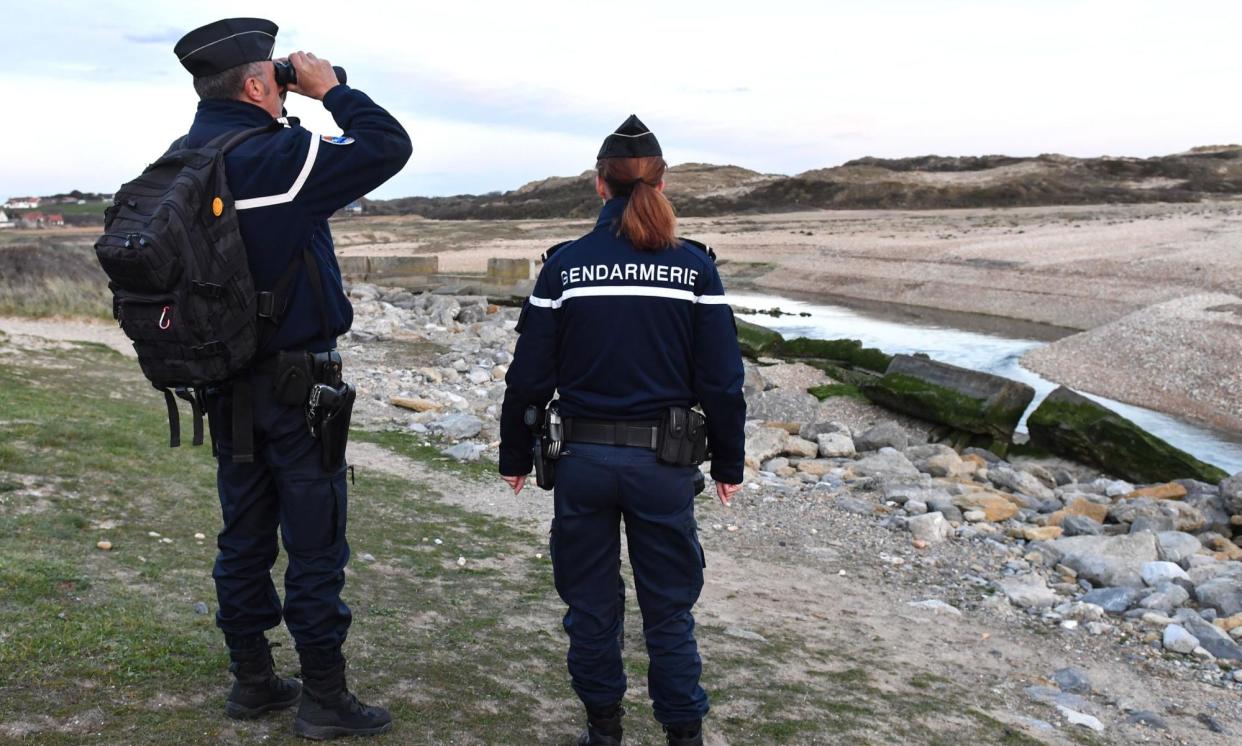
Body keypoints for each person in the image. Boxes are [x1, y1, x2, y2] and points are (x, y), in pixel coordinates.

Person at [172, 17, 411, 739]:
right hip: (297, 390)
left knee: (242, 538)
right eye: (272, 78)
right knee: (314, 542)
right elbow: (387, 146)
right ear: (253, 84)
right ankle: (324, 697)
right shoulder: (277, 156)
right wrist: (332, 89)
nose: (282, 89)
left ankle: (252, 680)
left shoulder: (183, 162)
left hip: (226, 387)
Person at [498, 115, 746, 746]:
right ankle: (682, 735)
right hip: (663, 469)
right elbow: (721, 381)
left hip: (581, 462)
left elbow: (528, 377)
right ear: (662, 184)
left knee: (591, 609)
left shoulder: (566, 266)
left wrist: (515, 453)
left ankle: (603, 732)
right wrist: (728, 464)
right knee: (668, 611)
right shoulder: (695, 270)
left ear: (599, 185)